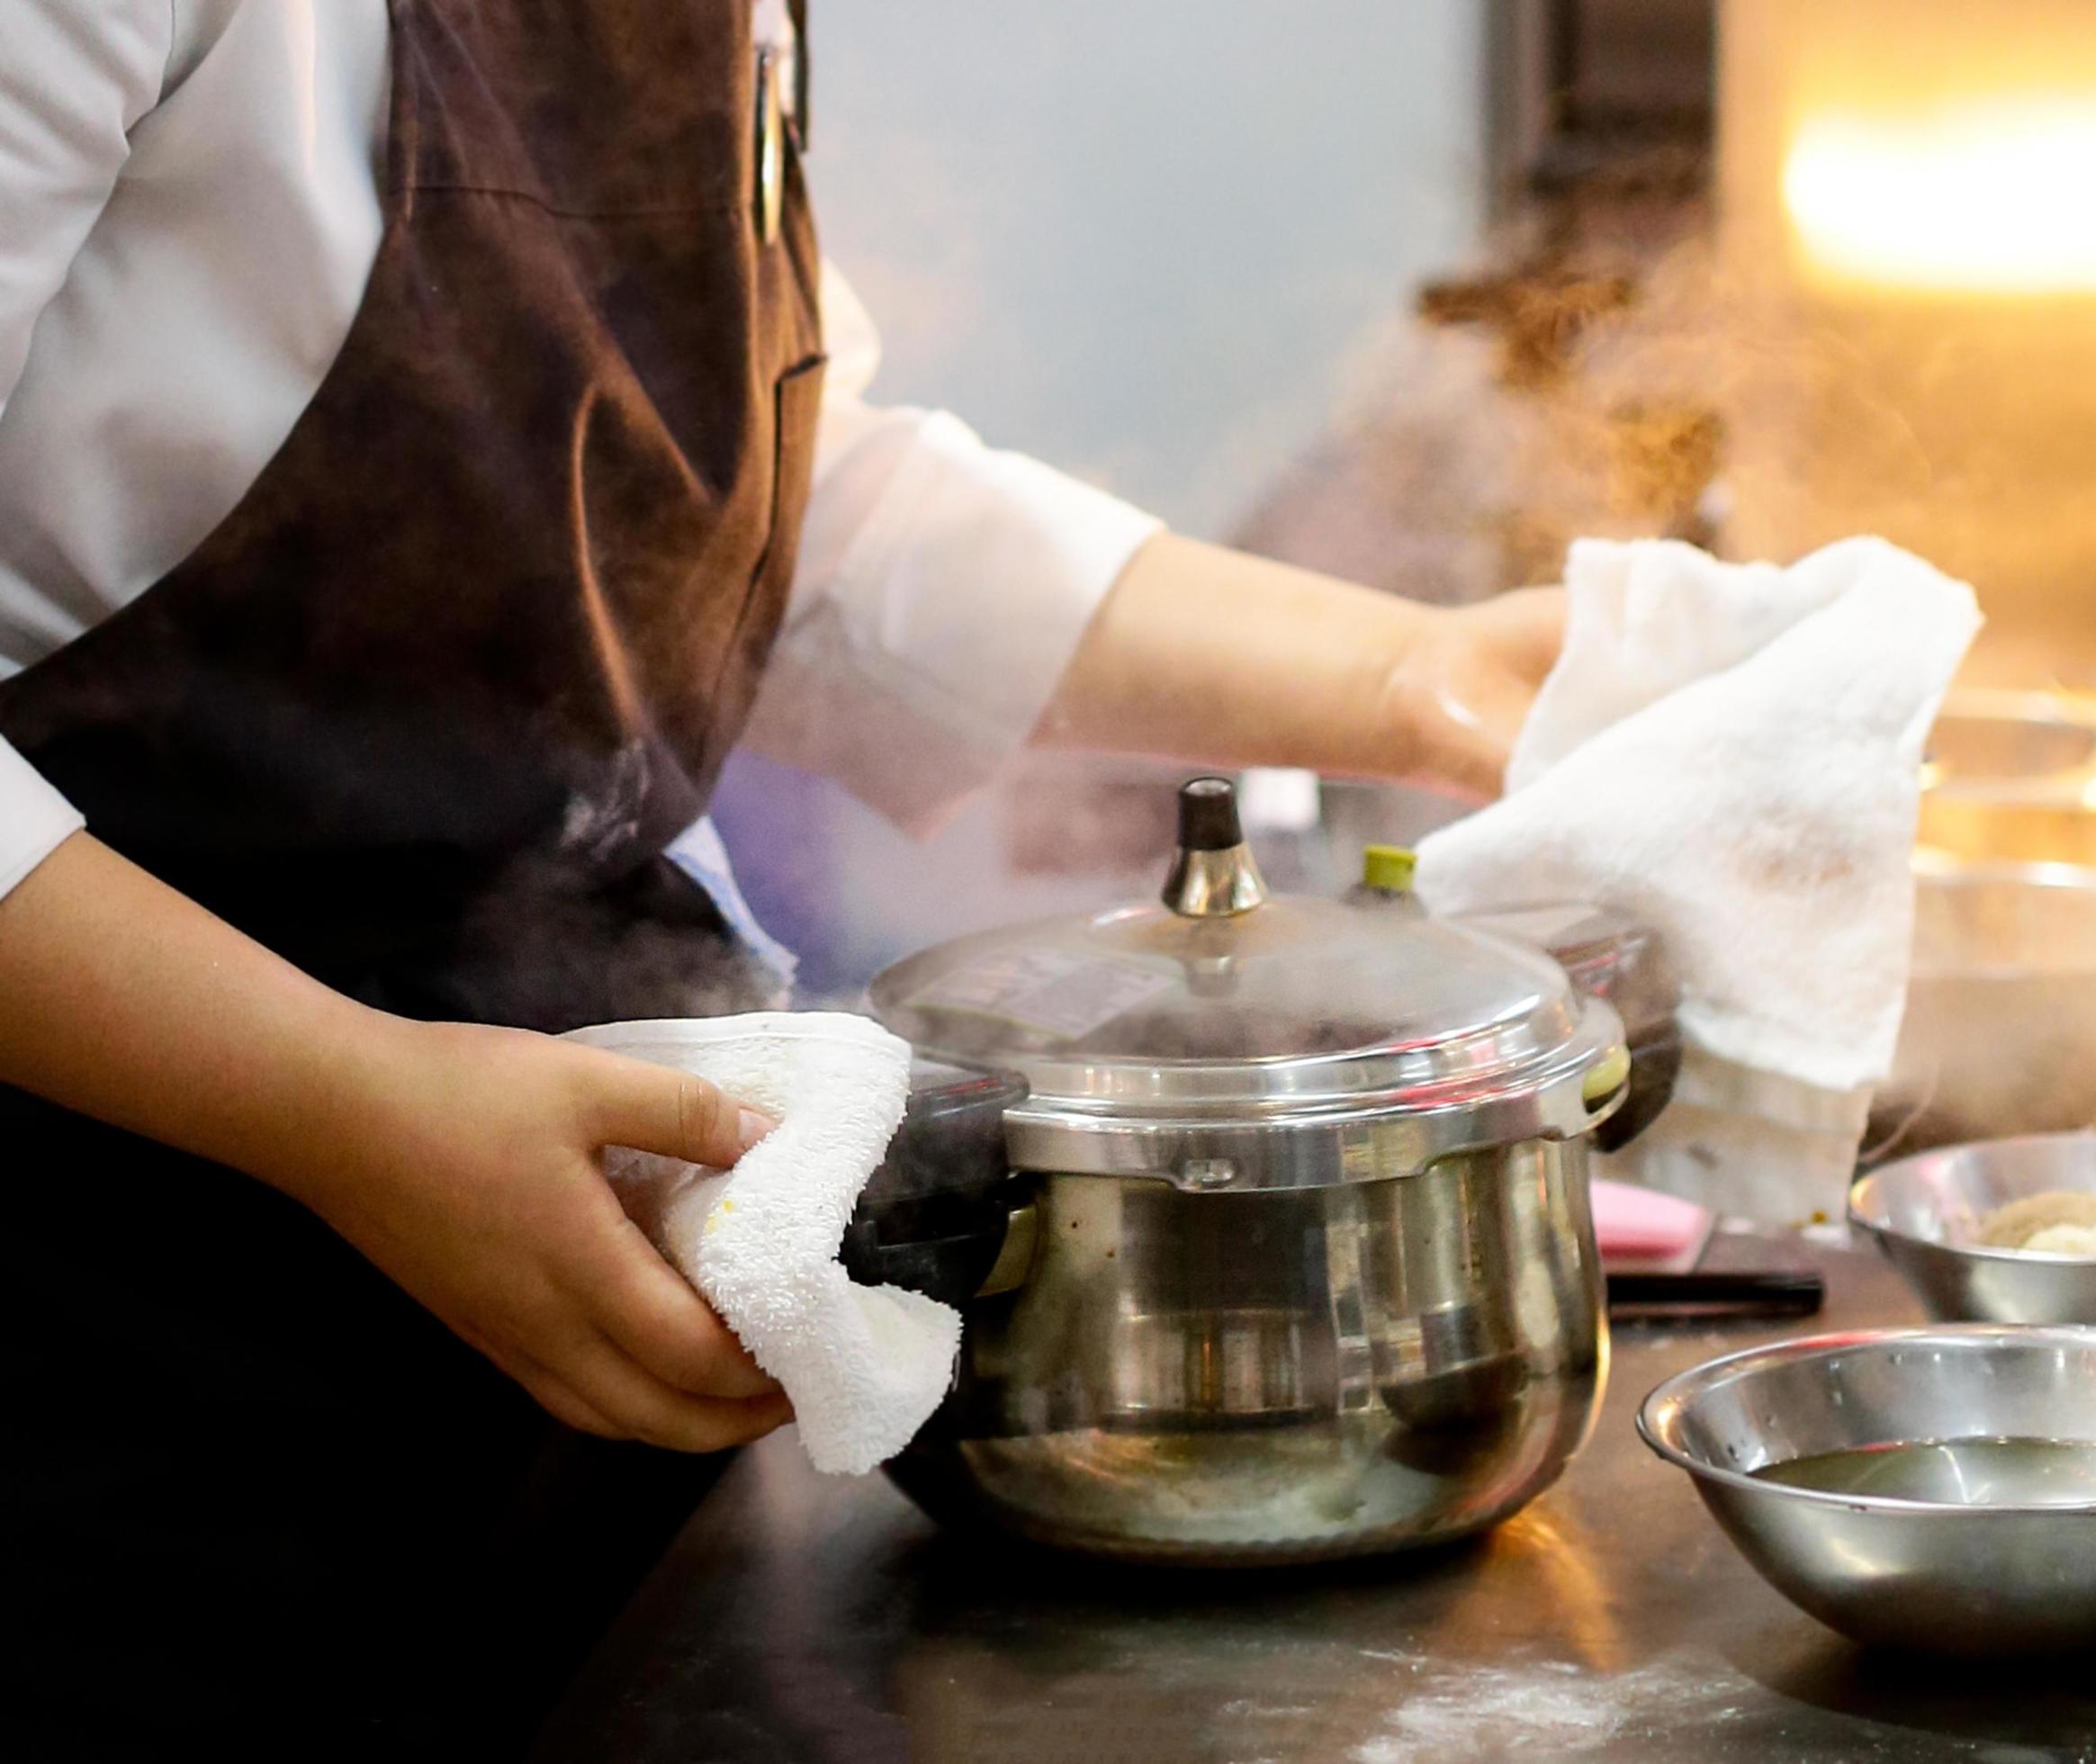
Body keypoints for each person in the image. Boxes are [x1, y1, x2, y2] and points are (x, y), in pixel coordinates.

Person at [0, 2, 1564, 1755]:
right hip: (82, 1356)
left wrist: (1416, 678)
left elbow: (759, 502)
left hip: (532, 1289)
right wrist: (345, 1104)